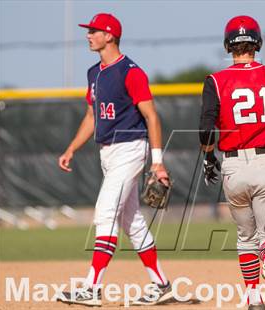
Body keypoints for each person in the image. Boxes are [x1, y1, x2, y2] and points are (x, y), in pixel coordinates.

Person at [57, 13, 173, 306]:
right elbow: (91, 116)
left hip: (131, 148)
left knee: (105, 211)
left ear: (109, 35)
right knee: (130, 219)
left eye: (93, 31)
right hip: (107, 152)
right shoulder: (93, 73)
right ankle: (161, 284)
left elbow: (152, 116)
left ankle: (91, 287)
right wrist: (71, 148)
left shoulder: (131, 72)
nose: (88, 35)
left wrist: (157, 161)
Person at [199, 16, 265, 310]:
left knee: (245, 237)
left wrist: (208, 157)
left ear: (228, 45)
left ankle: (253, 297)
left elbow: (205, 130)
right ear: (258, 43)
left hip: (232, 166)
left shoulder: (215, 81)